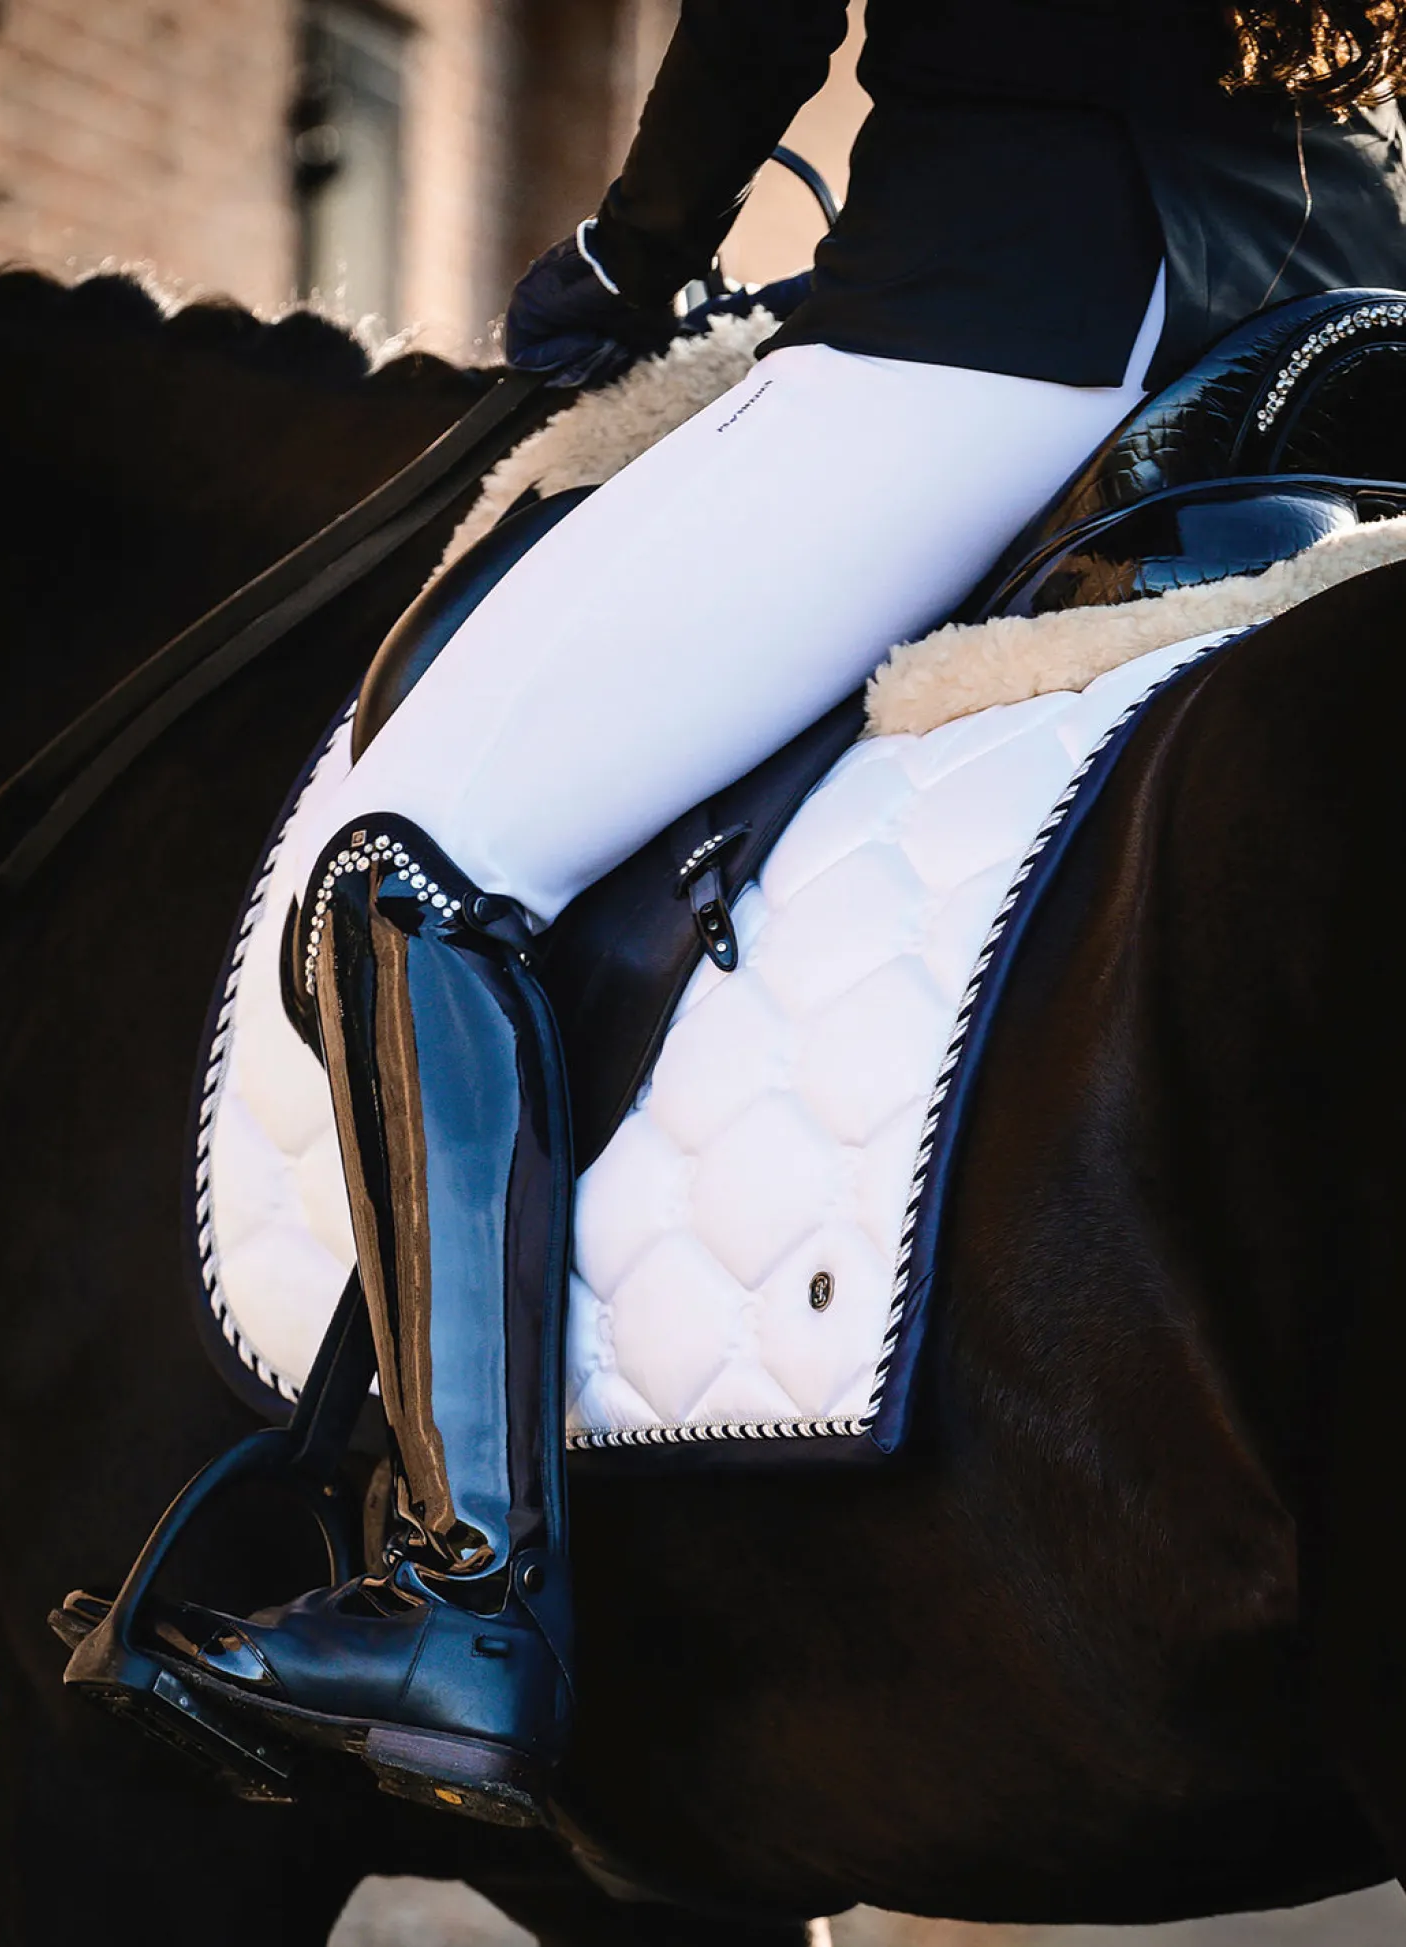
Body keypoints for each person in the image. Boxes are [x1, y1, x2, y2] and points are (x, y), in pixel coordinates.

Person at [149, 0, 1406, 1822]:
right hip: (1332, 314)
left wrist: (633, 250)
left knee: (406, 863)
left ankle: (464, 1594)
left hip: (1023, 302)